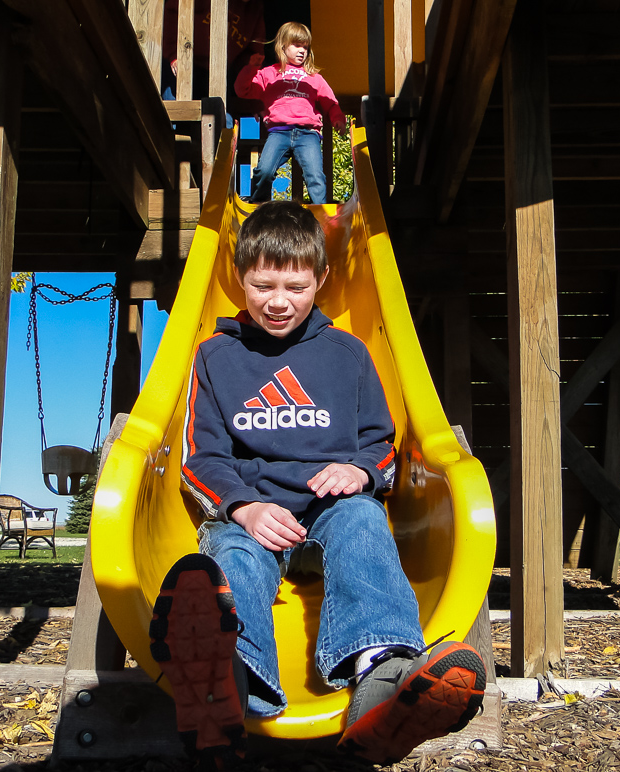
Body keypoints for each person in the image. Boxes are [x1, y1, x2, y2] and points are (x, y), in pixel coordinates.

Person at [149, 201, 486, 768]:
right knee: (232, 559)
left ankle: (382, 683)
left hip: (330, 508)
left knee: (362, 522)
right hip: (257, 515)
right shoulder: (215, 356)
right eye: (263, 285)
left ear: (322, 281)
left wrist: (359, 471)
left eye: (295, 286)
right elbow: (201, 456)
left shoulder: (347, 354)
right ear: (239, 278)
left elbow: (381, 442)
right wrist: (243, 509)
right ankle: (225, 682)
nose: (278, 301)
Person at [234, 22, 347, 204]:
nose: (302, 50)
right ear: (283, 46)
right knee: (264, 170)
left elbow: (330, 101)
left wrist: (338, 118)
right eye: (296, 45)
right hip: (279, 132)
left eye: (305, 47)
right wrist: (251, 69)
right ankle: (259, 205)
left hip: (308, 134)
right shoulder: (269, 74)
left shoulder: (314, 77)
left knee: (315, 175)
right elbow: (242, 89)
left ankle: (321, 210)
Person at [161, 0, 266, 126]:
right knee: (175, 116)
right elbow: (171, 14)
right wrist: (173, 54)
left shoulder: (253, 10)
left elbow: (252, 54)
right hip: (182, 65)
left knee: (222, 121)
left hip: (216, 72)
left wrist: (252, 101)